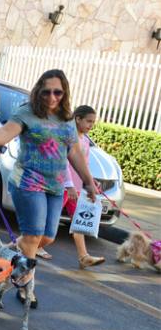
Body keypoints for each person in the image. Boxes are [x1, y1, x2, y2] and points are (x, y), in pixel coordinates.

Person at [0, 69, 98, 306]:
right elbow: (6, 132)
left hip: (55, 186)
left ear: (64, 92)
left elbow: (74, 152)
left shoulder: (67, 118)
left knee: (47, 237)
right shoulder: (27, 112)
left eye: (57, 92)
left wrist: (88, 181)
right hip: (28, 182)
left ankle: (6, 255)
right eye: (47, 91)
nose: (52, 97)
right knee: (32, 236)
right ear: (39, 90)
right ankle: (25, 286)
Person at [64, 105, 106, 269]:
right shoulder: (70, 136)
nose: (91, 125)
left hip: (76, 189)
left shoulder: (85, 140)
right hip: (64, 187)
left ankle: (84, 256)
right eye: (88, 121)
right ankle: (27, 248)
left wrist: (91, 181)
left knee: (79, 221)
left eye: (93, 122)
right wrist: (69, 186)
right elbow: (65, 163)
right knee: (48, 224)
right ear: (77, 118)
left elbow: (84, 165)